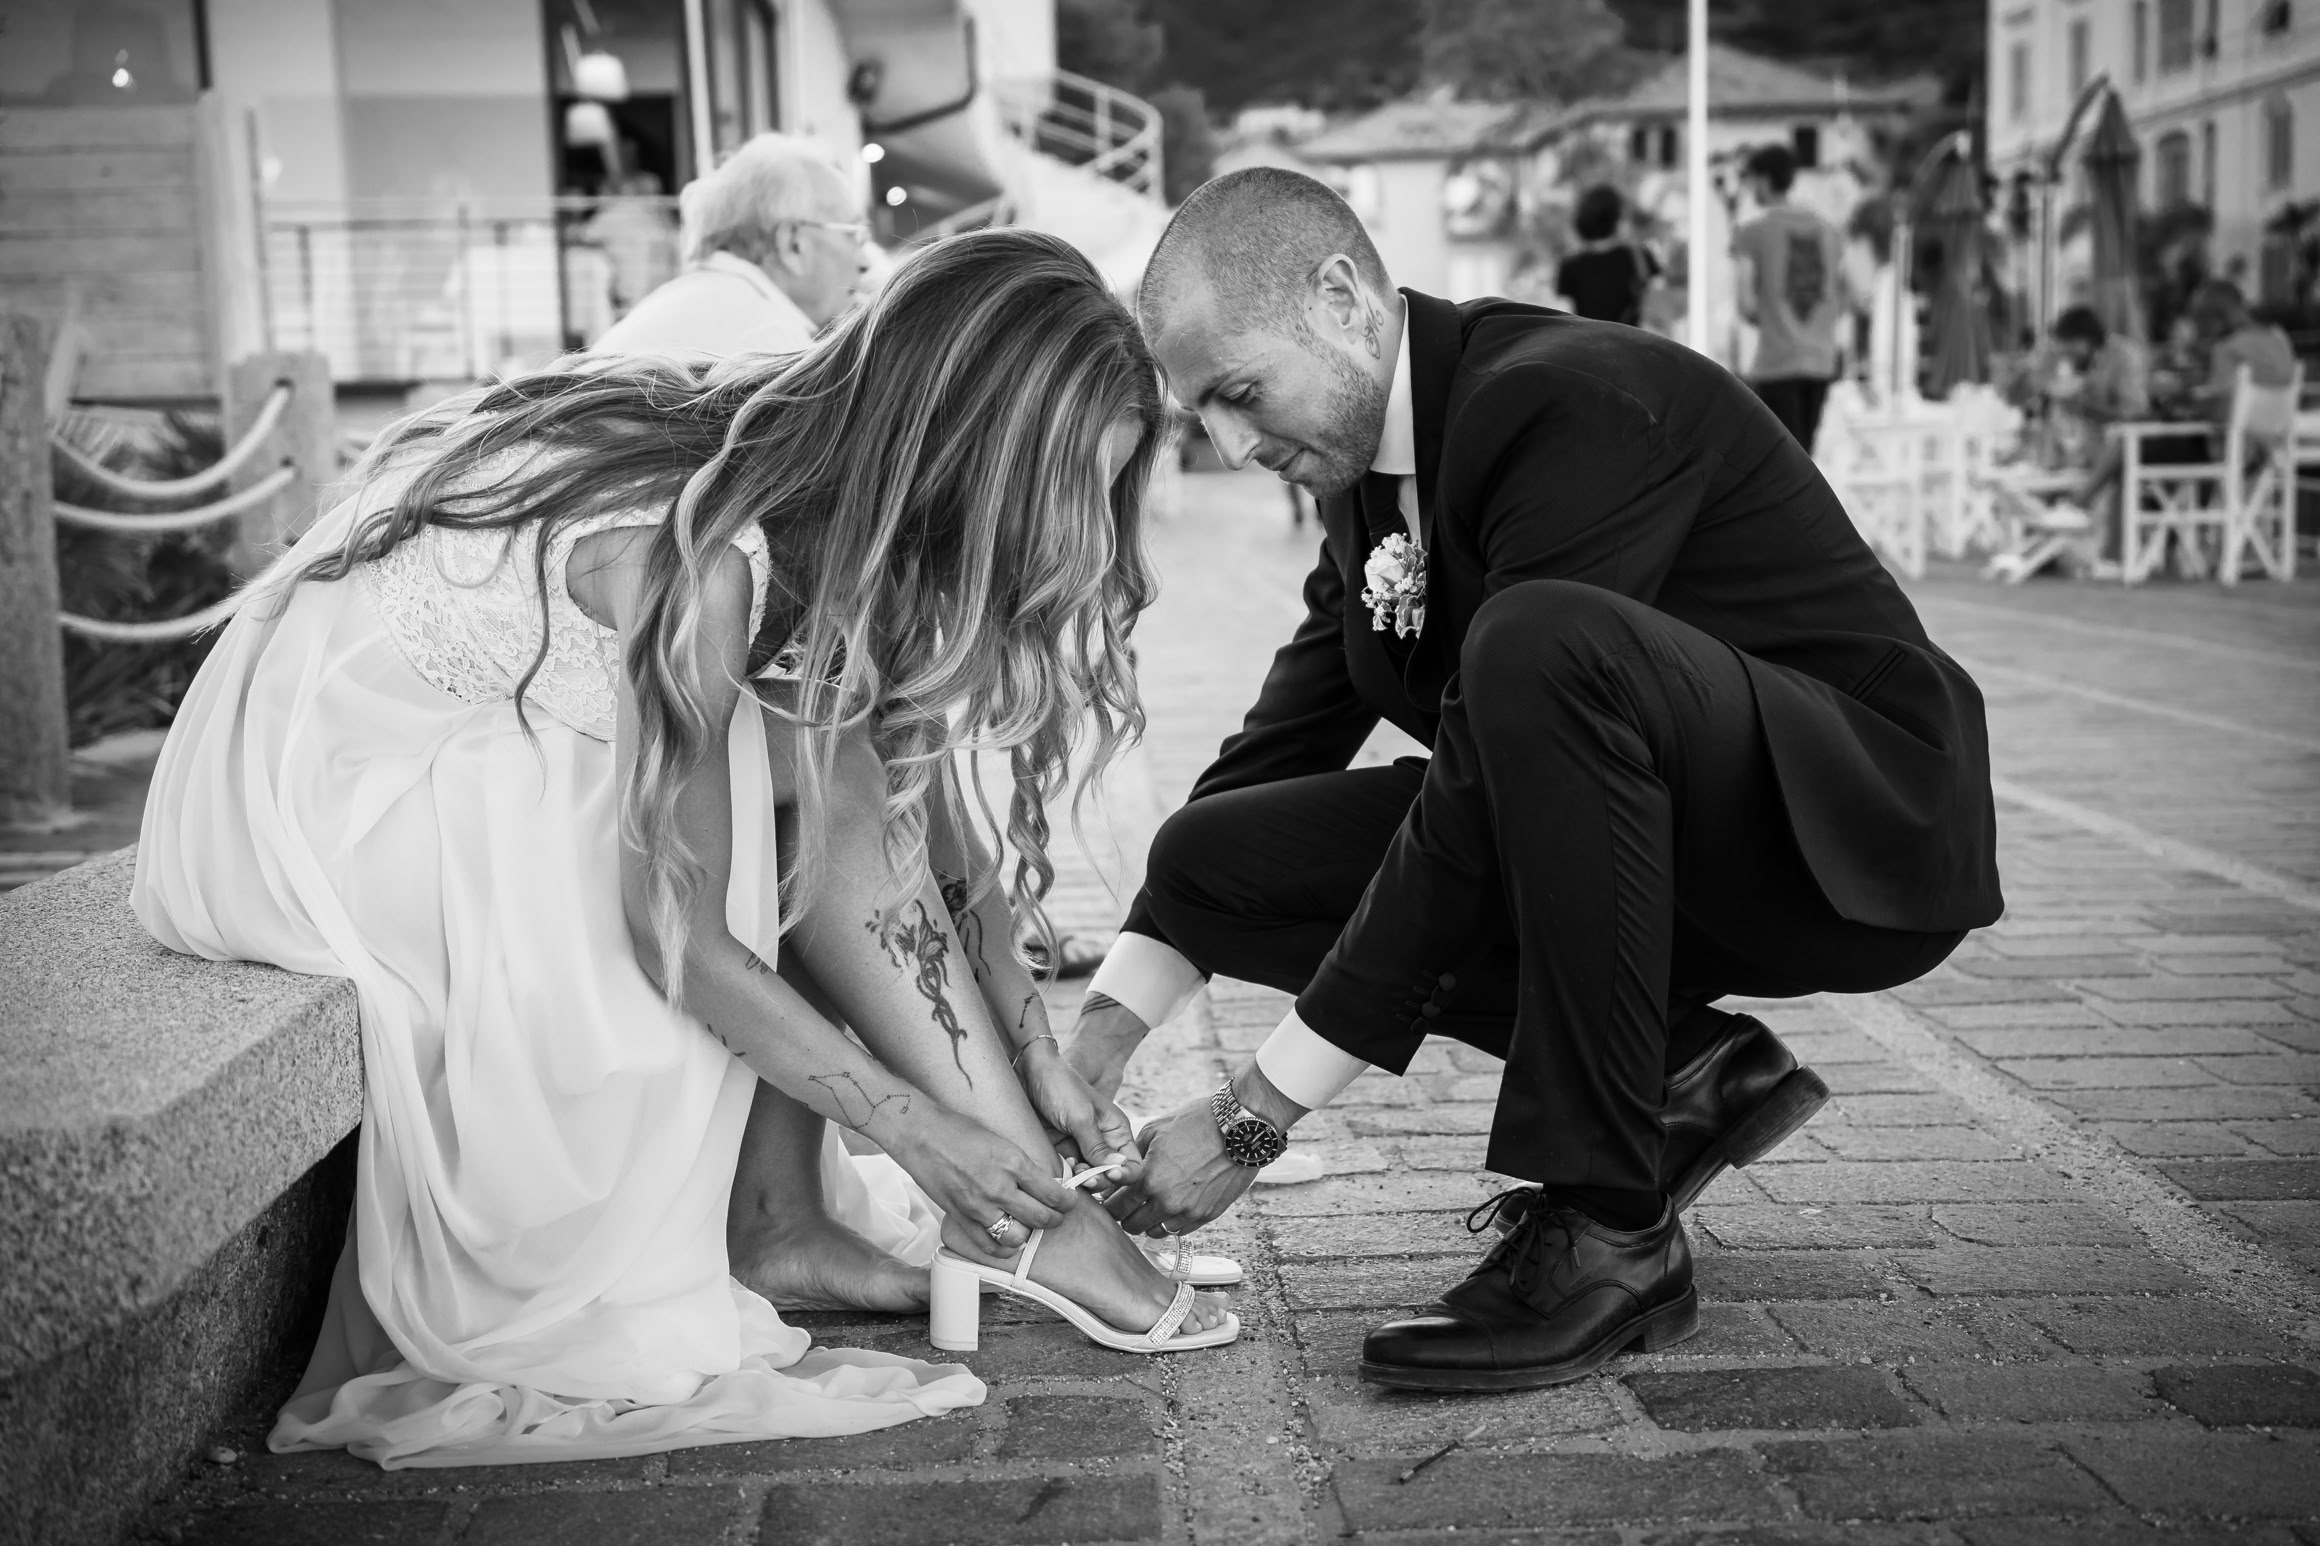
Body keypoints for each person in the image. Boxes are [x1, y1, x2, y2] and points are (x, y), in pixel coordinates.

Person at [133, 229, 1233, 1470]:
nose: (1078, 537)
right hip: (333, 792)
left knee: (842, 751)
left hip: (463, 737)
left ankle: (801, 1220)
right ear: (965, 454)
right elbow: (682, 940)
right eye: (1065, 490)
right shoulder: (700, 559)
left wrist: (1034, 1049)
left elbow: (929, 807)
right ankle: (1022, 1220)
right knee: (812, 773)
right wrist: (920, 1134)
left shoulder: (823, 484)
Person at [1063, 168, 2000, 1392]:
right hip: (1649, 838)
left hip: (1840, 831)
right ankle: (1676, 1073)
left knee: (1536, 646)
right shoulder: (1362, 472)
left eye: (1240, 394)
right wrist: (1093, 1046)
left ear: (1342, 299)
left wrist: (1252, 1118)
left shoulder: (1564, 399)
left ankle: (1611, 1230)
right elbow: (1277, 745)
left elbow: (1472, 796)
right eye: (1203, 418)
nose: (1234, 449)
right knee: (1207, 859)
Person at [593, 133, 868, 360]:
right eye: (853, 234)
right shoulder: (766, 338)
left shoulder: (703, 300)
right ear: (792, 244)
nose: (865, 261)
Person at [1731, 144, 1852, 452]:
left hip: (1777, 361)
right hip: (1821, 359)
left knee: (1780, 460)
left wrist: (1773, 315)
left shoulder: (1753, 232)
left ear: (1763, 180)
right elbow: (1847, 292)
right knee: (1805, 456)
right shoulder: (1829, 230)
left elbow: (1746, 303)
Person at [1553, 184, 1662, 327]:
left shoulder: (1570, 265)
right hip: (1634, 339)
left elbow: (1564, 315)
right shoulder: (1640, 257)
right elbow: (1659, 303)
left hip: (1588, 339)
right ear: (1617, 219)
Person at [2188, 277, 2298, 418]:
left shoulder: (2226, 348)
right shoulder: (2279, 336)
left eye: (2202, 321)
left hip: (2242, 428)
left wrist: (2193, 398)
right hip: (2279, 424)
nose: (2201, 331)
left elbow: (2222, 409)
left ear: (2217, 318)